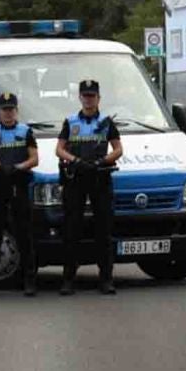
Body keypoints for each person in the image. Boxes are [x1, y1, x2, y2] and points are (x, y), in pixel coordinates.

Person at [57, 78, 123, 295]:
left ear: (98, 98)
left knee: (103, 229)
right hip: (76, 178)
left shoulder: (106, 122)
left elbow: (118, 149)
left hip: (99, 177)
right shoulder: (70, 121)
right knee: (72, 228)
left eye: (92, 96)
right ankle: (68, 280)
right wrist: (75, 161)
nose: (88, 100)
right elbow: (59, 149)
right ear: (80, 98)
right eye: (85, 96)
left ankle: (106, 279)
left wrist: (101, 161)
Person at [0, 90, 39, 297]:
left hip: (18, 186)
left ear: (16, 110)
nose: (8, 113)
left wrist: (19, 167)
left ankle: (29, 279)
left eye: (11, 109)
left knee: (24, 233)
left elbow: (34, 159)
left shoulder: (25, 131)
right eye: (4, 110)